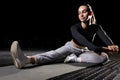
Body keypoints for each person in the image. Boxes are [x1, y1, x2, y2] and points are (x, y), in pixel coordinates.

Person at [10, 4, 119, 69]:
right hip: (72, 47)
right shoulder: (74, 28)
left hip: (85, 50)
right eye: (79, 12)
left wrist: (113, 46)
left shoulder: (96, 27)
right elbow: (89, 44)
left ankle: (74, 59)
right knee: (53, 55)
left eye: (84, 12)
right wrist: (104, 48)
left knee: (105, 57)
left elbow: (106, 40)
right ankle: (25, 60)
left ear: (90, 13)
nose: (81, 15)